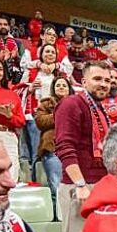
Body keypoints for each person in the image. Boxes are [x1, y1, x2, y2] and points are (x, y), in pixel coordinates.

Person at [52, 62, 112, 232]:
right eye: (97, 78)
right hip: (79, 186)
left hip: (100, 186)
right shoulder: (72, 104)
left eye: (108, 80)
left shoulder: (99, 110)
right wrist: (80, 185)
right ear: (84, 81)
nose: (103, 84)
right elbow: (64, 145)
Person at [35, 76, 71, 212]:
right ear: (53, 89)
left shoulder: (78, 103)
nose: (61, 87)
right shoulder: (45, 103)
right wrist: (60, 113)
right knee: (56, 185)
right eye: (58, 85)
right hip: (52, 149)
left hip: (73, 150)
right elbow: (40, 122)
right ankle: (58, 218)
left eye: (64, 85)